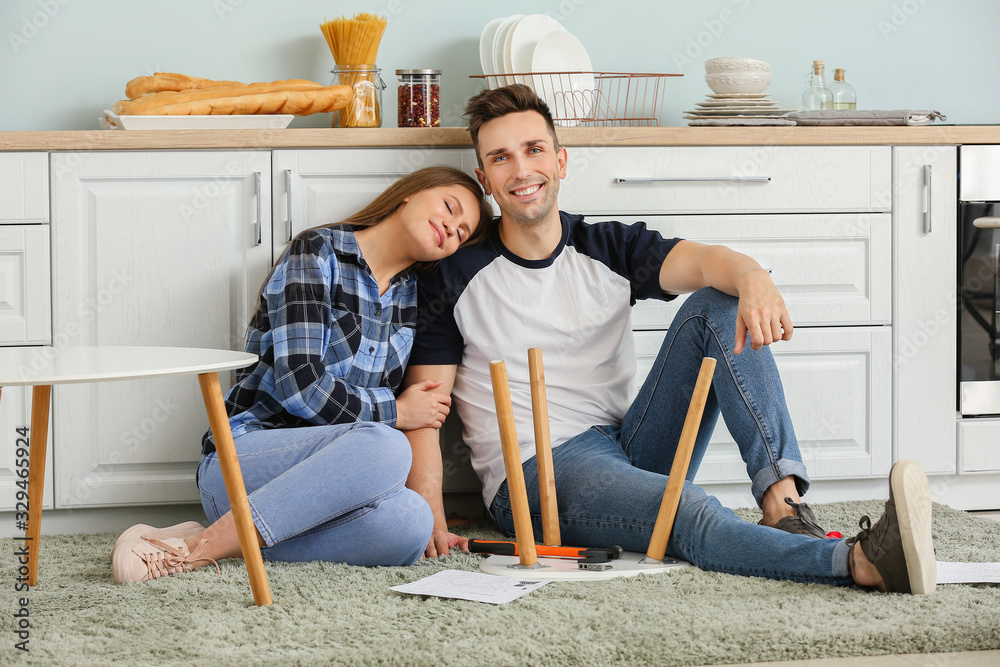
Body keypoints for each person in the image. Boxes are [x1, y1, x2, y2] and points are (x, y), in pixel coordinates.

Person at [401, 84, 937, 594]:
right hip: (538, 474)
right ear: (485, 177)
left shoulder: (607, 246)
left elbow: (705, 262)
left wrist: (752, 276)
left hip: (626, 445)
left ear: (560, 162)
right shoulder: (455, 273)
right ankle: (857, 563)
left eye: (533, 149)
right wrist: (429, 513)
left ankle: (783, 504)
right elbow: (428, 405)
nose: (521, 170)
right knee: (687, 508)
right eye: (500, 158)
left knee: (719, 304)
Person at [111, 166, 494, 584]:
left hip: (321, 493)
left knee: (410, 523)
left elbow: (420, 416)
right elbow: (302, 387)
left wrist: (434, 514)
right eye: (449, 208)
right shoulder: (316, 251)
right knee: (387, 444)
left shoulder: (413, 297)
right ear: (409, 194)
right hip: (244, 463)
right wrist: (396, 411)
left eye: (461, 232)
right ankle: (192, 553)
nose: (450, 228)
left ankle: (224, 537)